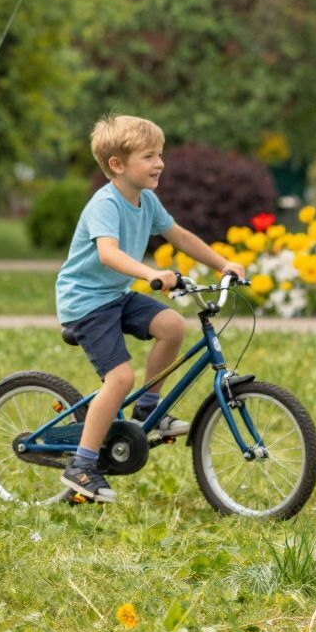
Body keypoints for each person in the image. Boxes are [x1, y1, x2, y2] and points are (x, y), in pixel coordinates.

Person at [54, 115, 240, 503]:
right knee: (119, 378)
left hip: (115, 296)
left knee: (172, 325)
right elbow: (108, 253)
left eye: (161, 154)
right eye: (149, 156)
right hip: (85, 302)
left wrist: (223, 264)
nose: (160, 163)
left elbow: (181, 236)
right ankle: (82, 465)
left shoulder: (147, 200)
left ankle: (147, 410)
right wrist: (150, 273)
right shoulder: (105, 204)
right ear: (118, 165)